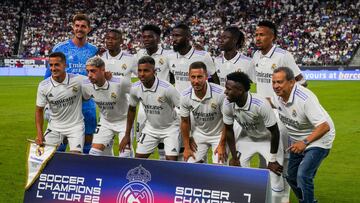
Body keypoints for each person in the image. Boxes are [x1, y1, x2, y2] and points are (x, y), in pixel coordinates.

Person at [253, 20, 307, 202]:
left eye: (262, 34)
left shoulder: (283, 56)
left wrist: (282, 101)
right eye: (256, 34)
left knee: (282, 157)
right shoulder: (256, 56)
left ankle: (283, 197)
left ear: (273, 37)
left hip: (279, 114)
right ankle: (266, 194)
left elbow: (302, 82)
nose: (258, 38)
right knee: (263, 155)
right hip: (260, 114)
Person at [272, 67, 335, 203]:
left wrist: (304, 142)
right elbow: (267, 101)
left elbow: (324, 126)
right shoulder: (278, 98)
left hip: (319, 138)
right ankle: (305, 200)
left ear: (292, 82)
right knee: (290, 176)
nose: (276, 86)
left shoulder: (305, 98)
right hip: (299, 140)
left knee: (303, 175)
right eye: (274, 82)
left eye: (280, 82)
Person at [222, 71, 284, 203]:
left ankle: (278, 200)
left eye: (228, 88)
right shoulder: (227, 104)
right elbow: (228, 131)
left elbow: (274, 132)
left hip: (268, 138)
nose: (225, 92)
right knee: (237, 170)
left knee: (275, 172)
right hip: (248, 138)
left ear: (240, 90)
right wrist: (234, 157)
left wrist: (272, 160)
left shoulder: (260, 104)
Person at [44, 13, 98, 154]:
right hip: (64, 100)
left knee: (87, 137)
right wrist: (46, 103)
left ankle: (84, 171)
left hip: (86, 101)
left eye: (83, 26)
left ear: (89, 29)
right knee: (61, 139)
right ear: (73, 27)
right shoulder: (60, 48)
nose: (80, 29)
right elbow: (48, 76)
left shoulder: (94, 50)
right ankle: (59, 172)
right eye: (77, 26)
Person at [119, 56, 181, 161]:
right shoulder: (135, 88)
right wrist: (127, 135)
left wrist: (189, 136)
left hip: (170, 129)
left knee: (171, 161)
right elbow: (132, 109)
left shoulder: (167, 88)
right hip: (151, 129)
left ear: (154, 71)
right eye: (139, 70)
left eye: (146, 70)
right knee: (137, 161)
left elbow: (184, 110)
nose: (142, 74)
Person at [214, 26, 255, 164]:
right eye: (221, 37)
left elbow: (250, 87)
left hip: (238, 113)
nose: (221, 40)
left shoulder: (247, 62)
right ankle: (222, 182)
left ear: (235, 40)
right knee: (220, 154)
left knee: (239, 151)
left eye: (225, 38)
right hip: (219, 111)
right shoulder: (216, 61)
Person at [136, 24, 175, 160]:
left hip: (163, 102)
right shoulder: (140, 54)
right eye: (144, 37)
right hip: (145, 100)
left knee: (164, 131)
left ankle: (163, 159)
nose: (146, 39)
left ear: (158, 39)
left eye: (150, 37)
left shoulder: (168, 55)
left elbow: (174, 74)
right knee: (141, 128)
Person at [82, 56, 132, 157]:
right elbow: (84, 98)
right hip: (106, 122)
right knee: (94, 153)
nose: (89, 75)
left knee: (125, 155)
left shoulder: (120, 82)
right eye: (87, 71)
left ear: (103, 70)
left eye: (93, 71)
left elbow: (137, 93)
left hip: (124, 121)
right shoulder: (86, 86)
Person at [35, 52, 84, 153]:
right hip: (54, 127)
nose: (53, 68)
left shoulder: (78, 80)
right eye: (51, 65)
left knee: (75, 157)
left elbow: (96, 81)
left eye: (57, 64)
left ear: (65, 65)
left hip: (75, 127)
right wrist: (39, 133)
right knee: (44, 156)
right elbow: (39, 110)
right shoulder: (43, 86)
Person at [179, 61, 225, 164]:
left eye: (199, 77)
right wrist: (187, 146)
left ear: (206, 77)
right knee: (190, 164)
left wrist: (222, 144)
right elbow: (184, 122)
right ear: (189, 77)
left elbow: (228, 122)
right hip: (199, 134)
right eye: (193, 77)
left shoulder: (221, 93)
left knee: (220, 166)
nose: (196, 81)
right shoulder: (185, 96)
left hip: (219, 135)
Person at [168, 23, 220, 93]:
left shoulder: (203, 56)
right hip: (179, 101)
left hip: (199, 101)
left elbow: (214, 79)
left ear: (188, 37)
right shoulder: (170, 56)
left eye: (177, 36)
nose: (174, 39)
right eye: (173, 36)